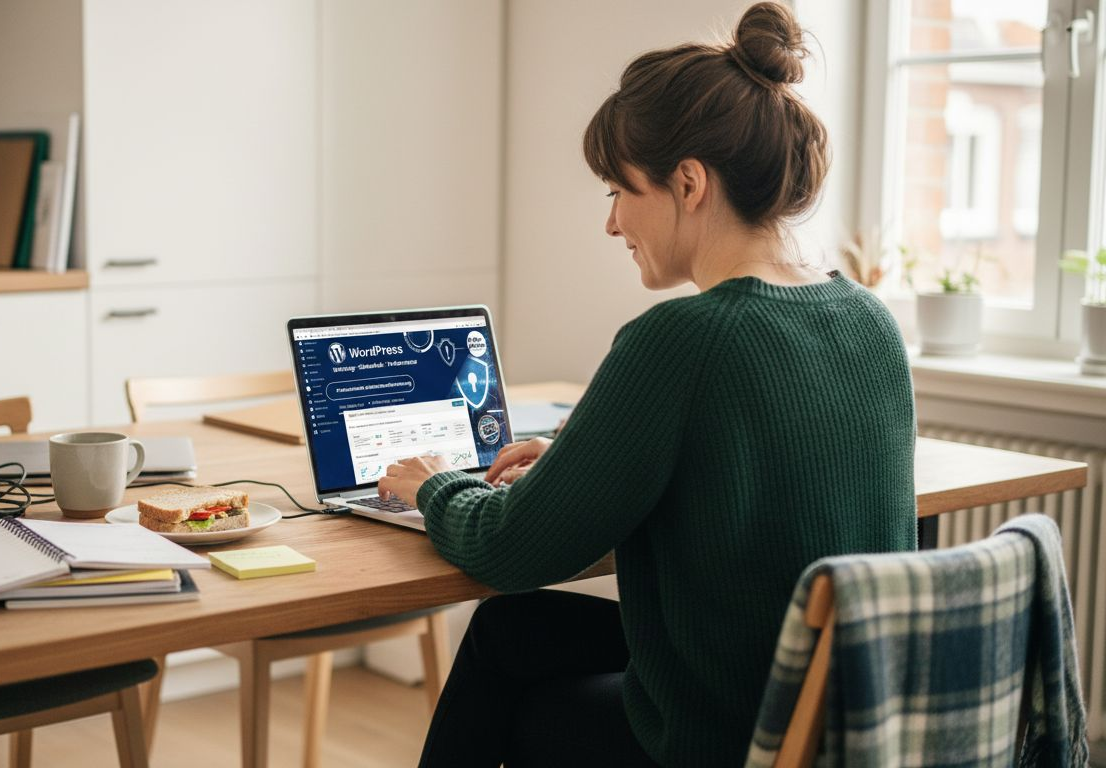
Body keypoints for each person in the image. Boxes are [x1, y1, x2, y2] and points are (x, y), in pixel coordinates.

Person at [376, 2, 917, 766]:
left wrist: (434, 484)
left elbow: (508, 550)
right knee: (511, 632)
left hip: (733, 740)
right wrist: (575, 455)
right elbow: (739, 447)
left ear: (689, 182)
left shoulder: (683, 338)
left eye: (618, 191)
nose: (612, 223)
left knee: (522, 690)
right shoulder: (867, 317)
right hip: (845, 714)